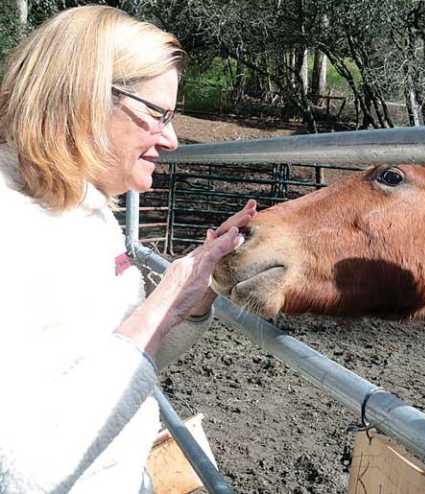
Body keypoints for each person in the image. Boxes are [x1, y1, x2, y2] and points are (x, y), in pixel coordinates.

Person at [0, 5, 257, 493]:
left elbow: (119, 363)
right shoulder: (11, 227)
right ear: (85, 98)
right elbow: (25, 472)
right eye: (158, 115)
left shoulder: (85, 208)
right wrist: (159, 304)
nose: (174, 139)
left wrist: (190, 299)